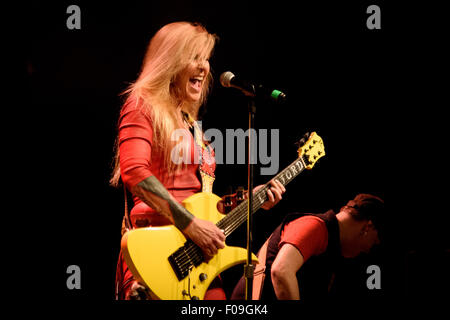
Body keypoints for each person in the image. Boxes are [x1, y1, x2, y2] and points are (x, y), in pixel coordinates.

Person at [110, 21, 285, 300]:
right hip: (158, 256)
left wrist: (250, 199)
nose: (204, 67)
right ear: (170, 61)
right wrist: (190, 224)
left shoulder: (193, 125)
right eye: (194, 57)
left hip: (197, 259)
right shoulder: (142, 104)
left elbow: (203, 202)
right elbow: (134, 172)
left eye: (205, 58)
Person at [231, 193, 385, 301]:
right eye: (373, 244)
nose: (366, 251)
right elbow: (281, 271)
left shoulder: (329, 243)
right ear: (367, 227)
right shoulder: (316, 226)